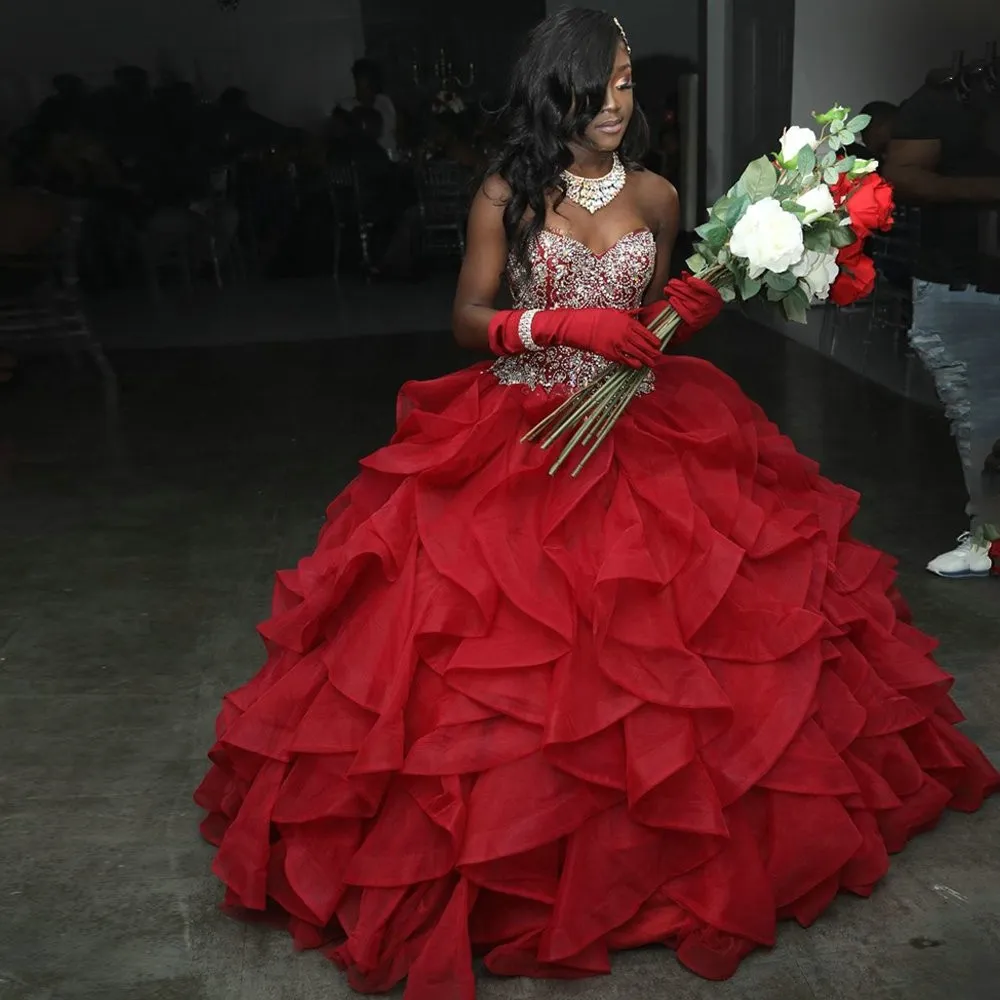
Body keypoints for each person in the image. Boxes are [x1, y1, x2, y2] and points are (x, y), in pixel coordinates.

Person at [195, 9, 999, 994]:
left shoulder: (658, 195)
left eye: (624, 84)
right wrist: (554, 320)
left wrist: (683, 311)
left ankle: (660, 855)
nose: (614, 105)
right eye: (594, 86)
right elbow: (466, 317)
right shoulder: (507, 190)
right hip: (521, 426)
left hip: (648, 431)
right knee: (495, 647)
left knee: (686, 641)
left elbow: (653, 325)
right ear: (553, 89)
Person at [882, 71, 1000, 577]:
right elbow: (900, 174)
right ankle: (988, 539)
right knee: (980, 421)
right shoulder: (948, 95)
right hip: (965, 283)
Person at [339, 58, 398, 161]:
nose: (361, 90)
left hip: (388, 159)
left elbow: (393, 130)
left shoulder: (384, 103)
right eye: (358, 84)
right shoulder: (346, 106)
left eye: (367, 86)